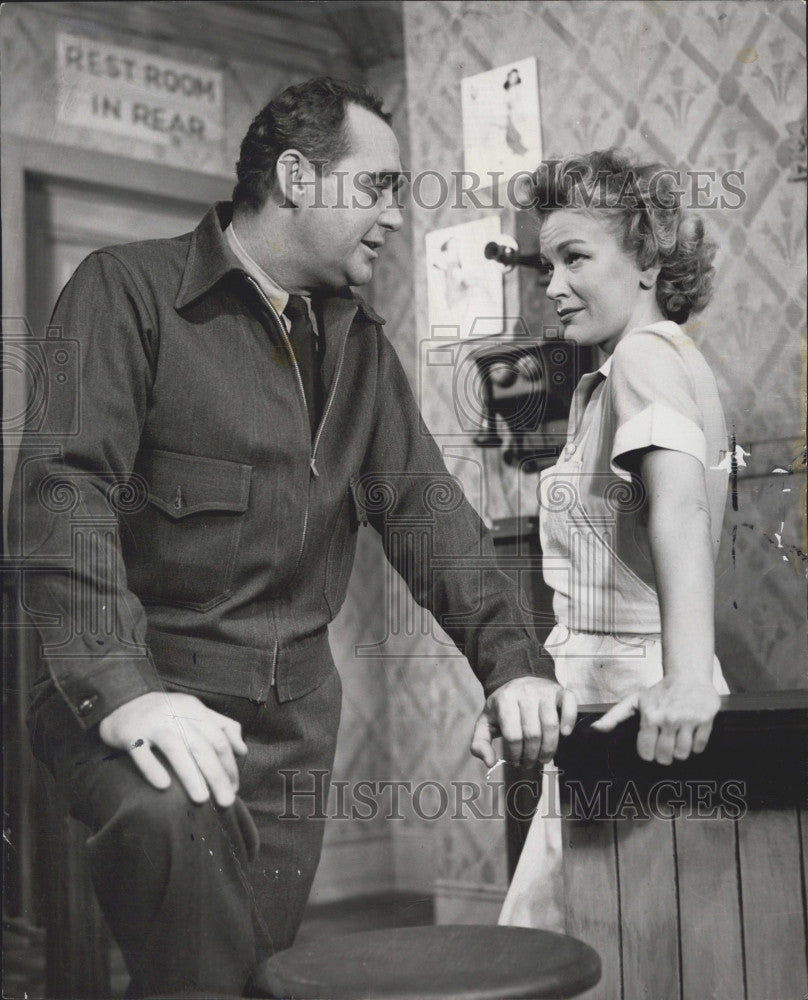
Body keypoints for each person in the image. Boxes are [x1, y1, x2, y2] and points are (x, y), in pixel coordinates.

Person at [9, 78, 576, 997]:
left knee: (246, 975)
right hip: (141, 702)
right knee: (198, 920)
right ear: (297, 175)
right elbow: (60, 492)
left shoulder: (360, 349)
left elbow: (435, 521)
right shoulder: (126, 292)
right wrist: (127, 691)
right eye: (378, 186)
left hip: (285, 736)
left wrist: (514, 662)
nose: (395, 214)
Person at [499, 148, 730, 930]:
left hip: (637, 702)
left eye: (574, 259)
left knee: (575, 953)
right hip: (612, 696)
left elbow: (682, 512)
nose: (554, 287)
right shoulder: (645, 364)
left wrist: (688, 680)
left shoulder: (640, 357)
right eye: (545, 265)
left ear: (646, 258)